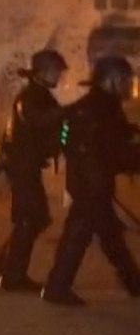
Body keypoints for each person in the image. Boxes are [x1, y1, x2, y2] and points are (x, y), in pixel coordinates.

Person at [41, 55, 140, 306]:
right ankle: (56, 287)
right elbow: (112, 149)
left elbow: (107, 140)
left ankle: (133, 282)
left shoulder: (99, 104)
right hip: (92, 183)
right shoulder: (101, 107)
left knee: (109, 234)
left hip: (89, 181)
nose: (130, 85)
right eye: (126, 80)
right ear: (112, 80)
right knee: (80, 233)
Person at [0, 50, 67, 292]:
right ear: (43, 72)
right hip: (21, 165)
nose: (59, 76)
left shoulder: (41, 94)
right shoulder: (31, 97)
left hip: (27, 163)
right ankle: (14, 276)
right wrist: (69, 111)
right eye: (56, 71)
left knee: (36, 218)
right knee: (29, 218)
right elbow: (37, 120)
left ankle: (5, 261)